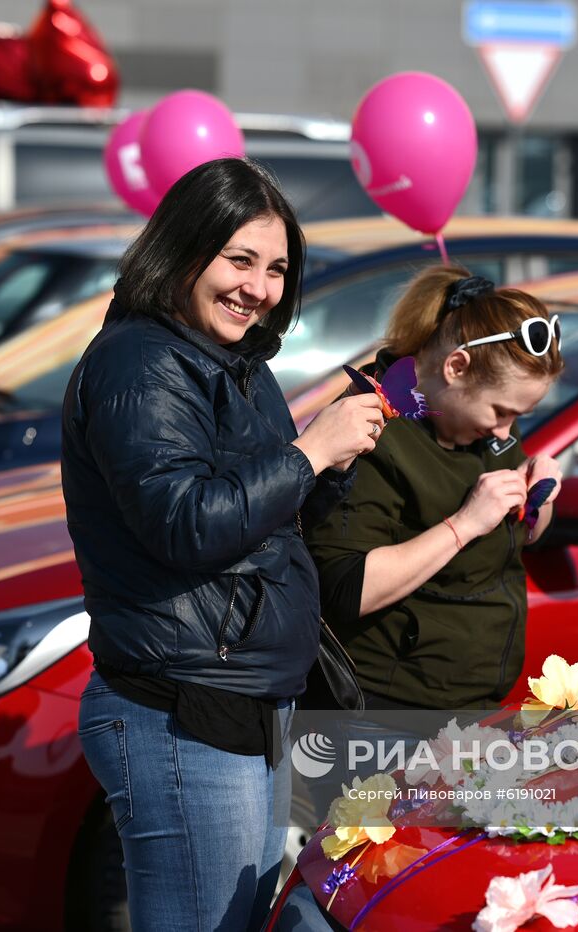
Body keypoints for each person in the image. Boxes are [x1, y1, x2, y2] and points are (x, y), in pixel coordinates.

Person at [60, 157, 386, 931]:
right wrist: (308, 452)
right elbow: (184, 521)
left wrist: (334, 456)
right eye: (239, 260)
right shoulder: (139, 362)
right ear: (182, 250)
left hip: (238, 710)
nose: (260, 288)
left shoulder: (231, 362)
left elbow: (258, 518)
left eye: (276, 269)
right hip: (181, 717)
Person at [305, 266, 565, 710]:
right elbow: (347, 589)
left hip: (469, 701)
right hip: (385, 708)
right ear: (457, 367)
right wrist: (464, 524)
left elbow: (514, 538)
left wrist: (539, 498)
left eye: (518, 415)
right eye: (500, 412)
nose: (505, 432)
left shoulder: (479, 423)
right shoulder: (370, 426)